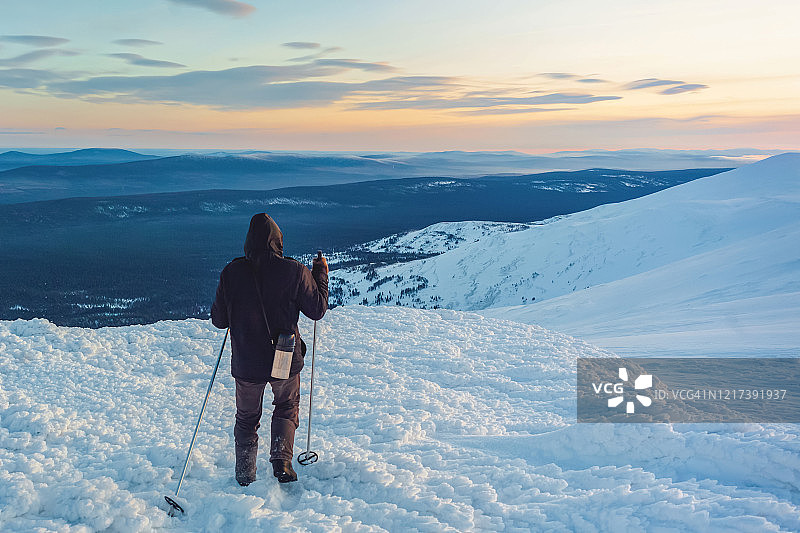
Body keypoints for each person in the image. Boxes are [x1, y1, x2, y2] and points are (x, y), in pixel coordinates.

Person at [211, 213, 328, 485]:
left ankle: (244, 475)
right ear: (278, 241)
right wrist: (320, 274)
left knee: (246, 418)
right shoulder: (294, 271)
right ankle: (281, 460)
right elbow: (317, 310)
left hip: (246, 360)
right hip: (284, 355)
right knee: (286, 405)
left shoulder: (232, 272)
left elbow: (219, 320)